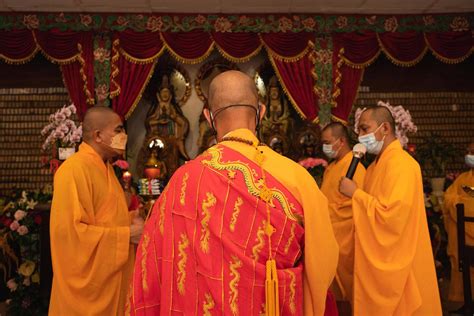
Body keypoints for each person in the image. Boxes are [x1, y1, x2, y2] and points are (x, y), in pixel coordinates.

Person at [128, 70, 339, 316]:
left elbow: (153, 265)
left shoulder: (184, 181)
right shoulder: (297, 178)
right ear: (260, 112)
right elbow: (323, 265)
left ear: (208, 117)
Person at [339, 105, 442, 315]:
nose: (360, 136)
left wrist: (356, 194)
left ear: (384, 128)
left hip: (402, 265)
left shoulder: (403, 165)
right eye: (358, 130)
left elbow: (392, 218)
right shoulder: (374, 167)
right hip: (377, 261)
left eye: (364, 128)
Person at [49, 106, 144, 315]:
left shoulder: (106, 169)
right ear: (98, 135)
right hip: (85, 297)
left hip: (109, 284)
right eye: (118, 130)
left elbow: (105, 217)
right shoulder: (73, 170)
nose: (124, 136)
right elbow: (70, 235)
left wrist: (132, 219)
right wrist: (126, 234)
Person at [320, 122, 366, 309]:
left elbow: (360, 205)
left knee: (348, 293)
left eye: (327, 142)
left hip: (346, 238)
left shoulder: (356, 168)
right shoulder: (332, 167)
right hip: (329, 234)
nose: (325, 147)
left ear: (341, 141)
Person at [443, 140, 474, 305]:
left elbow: (466, 204)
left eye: (473, 152)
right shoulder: (463, 178)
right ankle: (465, 300)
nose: (470, 156)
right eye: (469, 151)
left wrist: (460, 201)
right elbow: (448, 196)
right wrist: (463, 201)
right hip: (463, 240)